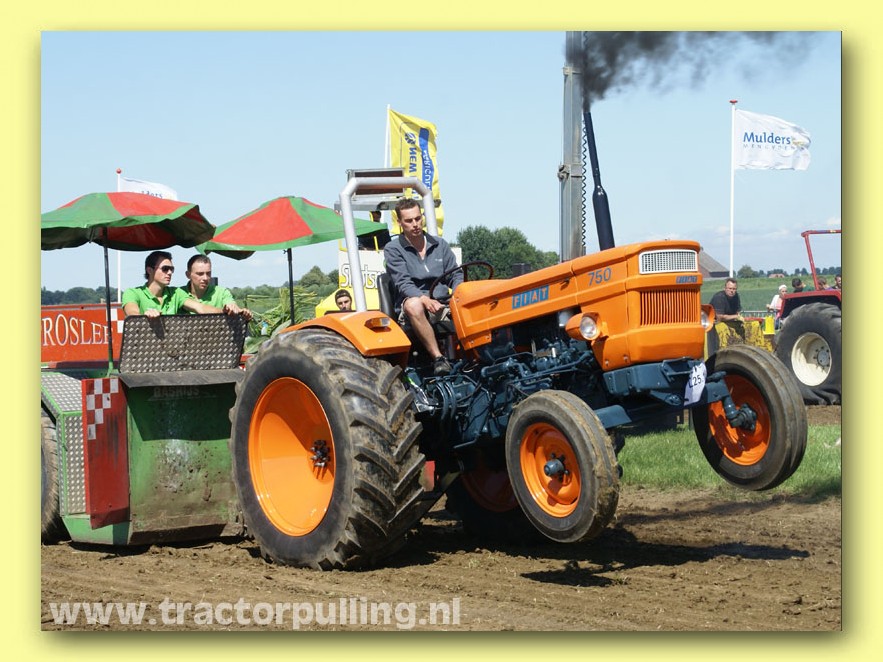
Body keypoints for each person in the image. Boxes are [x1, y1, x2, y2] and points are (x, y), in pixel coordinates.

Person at [384, 198, 462, 376]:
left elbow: (455, 274)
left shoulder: (439, 244)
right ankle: (439, 358)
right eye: (409, 221)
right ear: (400, 222)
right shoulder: (393, 249)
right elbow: (403, 283)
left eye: (418, 218)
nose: (415, 224)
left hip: (442, 303)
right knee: (414, 305)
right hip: (413, 307)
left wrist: (459, 293)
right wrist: (424, 299)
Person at [122, 251, 206, 318]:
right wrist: (144, 317)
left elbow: (200, 308)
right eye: (165, 269)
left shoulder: (176, 293)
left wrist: (215, 311)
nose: (169, 272)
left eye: (171, 269)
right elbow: (132, 313)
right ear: (149, 270)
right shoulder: (132, 293)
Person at [183, 254, 252, 320]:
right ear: (188, 275)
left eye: (208, 273)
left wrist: (238, 310)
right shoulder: (179, 293)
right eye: (200, 274)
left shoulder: (222, 293)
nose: (205, 278)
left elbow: (231, 305)